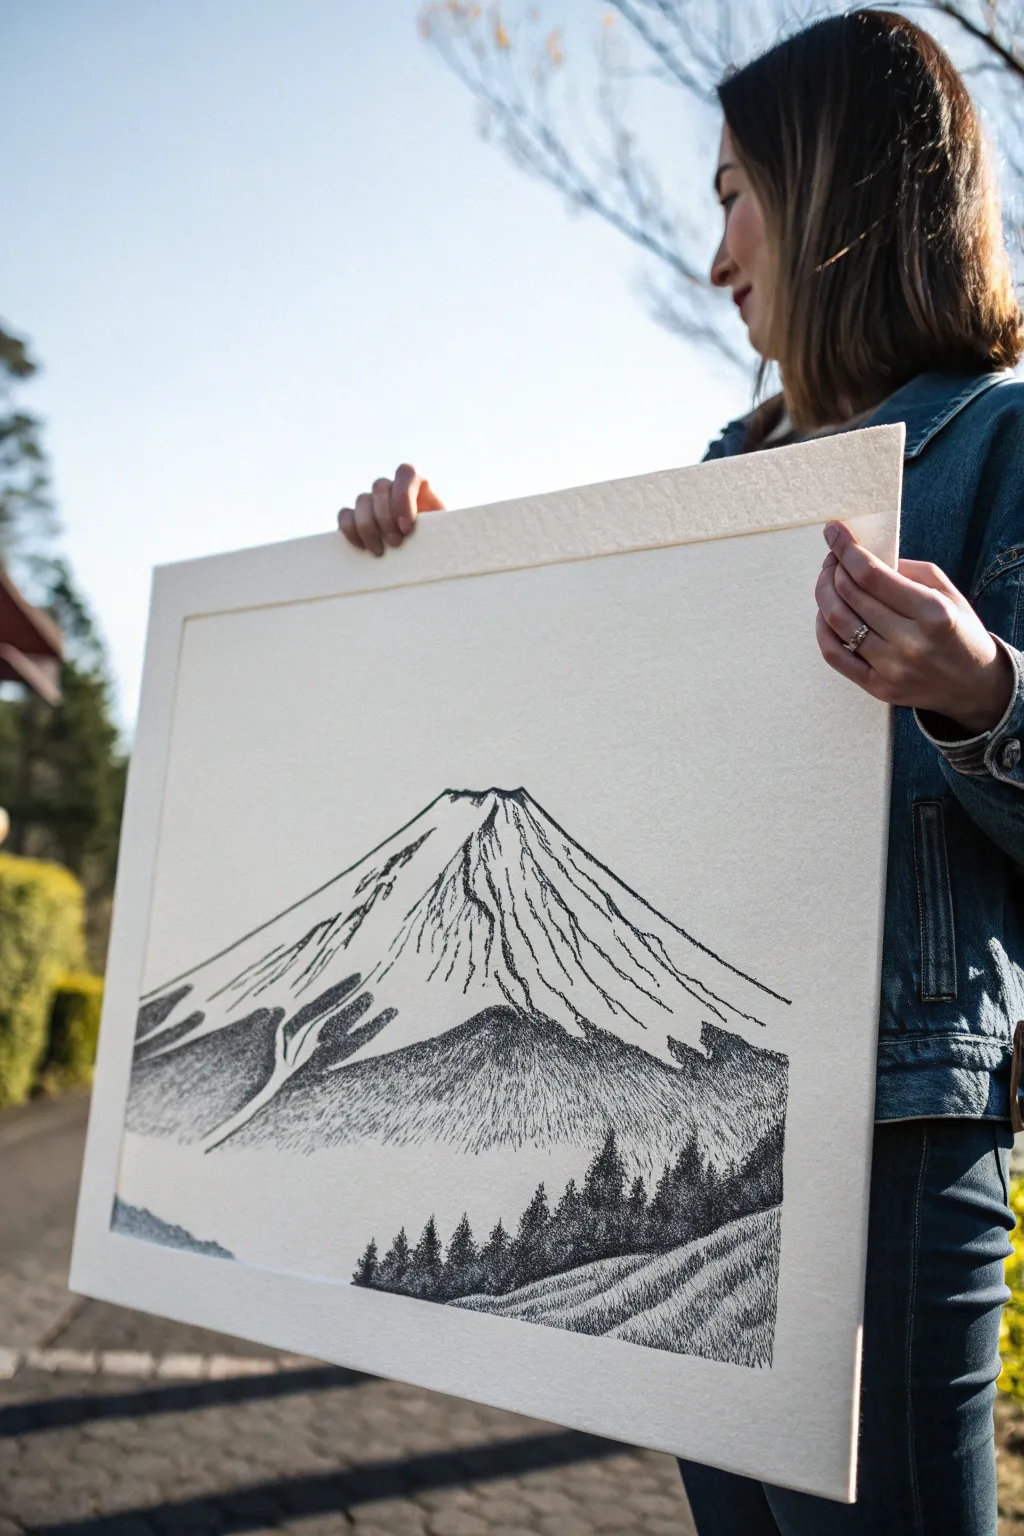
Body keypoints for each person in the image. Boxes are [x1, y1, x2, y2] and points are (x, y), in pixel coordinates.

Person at [337, 11, 1024, 1531]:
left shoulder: (999, 448)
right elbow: (598, 789)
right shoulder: (728, 479)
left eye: (733, 195)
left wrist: (979, 693)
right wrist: (445, 573)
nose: (716, 256)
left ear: (835, 191)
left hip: (897, 1145)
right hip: (708, 1132)